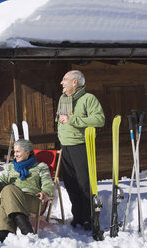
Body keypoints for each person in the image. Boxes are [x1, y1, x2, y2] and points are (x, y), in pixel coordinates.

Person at [56, 70, 105, 230]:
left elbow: (100, 119)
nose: (62, 83)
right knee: (70, 184)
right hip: (66, 146)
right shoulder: (63, 100)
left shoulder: (88, 99)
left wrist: (73, 119)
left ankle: (89, 217)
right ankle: (78, 215)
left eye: (65, 79)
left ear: (75, 82)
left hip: (81, 145)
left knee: (84, 183)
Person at [0, 139, 54, 243]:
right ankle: (21, 227)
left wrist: (45, 192)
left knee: (8, 192)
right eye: (14, 152)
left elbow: (48, 184)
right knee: (8, 192)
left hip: (32, 200)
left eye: (18, 151)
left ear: (27, 152)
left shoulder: (41, 167)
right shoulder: (10, 167)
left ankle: (2, 233)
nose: (15, 155)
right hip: (11, 200)